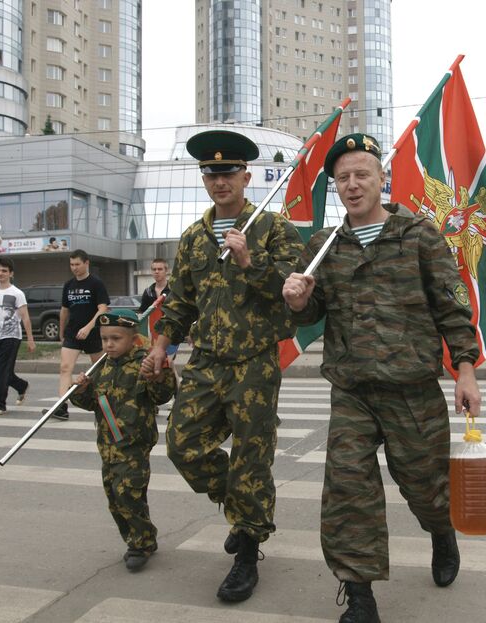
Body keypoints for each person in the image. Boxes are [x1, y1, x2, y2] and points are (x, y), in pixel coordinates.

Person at [282, 133, 482, 623]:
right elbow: (313, 315)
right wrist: (298, 301)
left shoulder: (418, 234)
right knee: (349, 490)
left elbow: (451, 305)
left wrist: (466, 369)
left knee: (425, 488)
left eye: (361, 175)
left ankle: (440, 531)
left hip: (412, 389)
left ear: (380, 177)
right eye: (343, 178)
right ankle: (360, 597)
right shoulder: (324, 244)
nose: (352, 185)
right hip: (352, 389)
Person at [141, 129, 304, 602]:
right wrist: (160, 345)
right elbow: (179, 303)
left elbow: (293, 290)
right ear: (204, 179)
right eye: (211, 174)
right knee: (182, 445)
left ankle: (247, 551)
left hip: (254, 363)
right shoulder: (193, 237)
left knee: (253, 457)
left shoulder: (273, 228)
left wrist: (251, 261)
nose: (220, 181)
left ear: (246, 176)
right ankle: (239, 506)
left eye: (229, 172)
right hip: (207, 361)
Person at [70, 309, 176, 571]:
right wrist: (81, 390)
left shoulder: (143, 363)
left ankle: (142, 543)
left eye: (116, 338)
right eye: (105, 339)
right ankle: (134, 539)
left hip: (134, 444)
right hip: (108, 446)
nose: (109, 344)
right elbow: (93, 403)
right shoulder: (103, 367)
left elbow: (161, 395)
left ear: (133, 338)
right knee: (114, 498)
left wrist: (161, 374)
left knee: (129, 493)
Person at [49, 249, 110, 420]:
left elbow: (103, 308)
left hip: (93, 334)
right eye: (71, 265)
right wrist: (61, 332)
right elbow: (64, 310)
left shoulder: (96, 283)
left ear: (86, 263)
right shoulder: (68, 285)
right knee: (64, 368)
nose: (74, 268)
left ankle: (105, 403)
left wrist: (89, 327)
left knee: (99, 371)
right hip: (72, 334)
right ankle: (61, 407)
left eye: (77, 264)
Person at [0, 257, 35, 416]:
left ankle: (0, 404)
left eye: (4, 271)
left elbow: (25, 318)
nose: (0, 273)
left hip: (11, 337)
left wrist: (30, 340)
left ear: (11, 273)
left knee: (1, 370)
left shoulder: (17, 293)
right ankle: (21, 386)